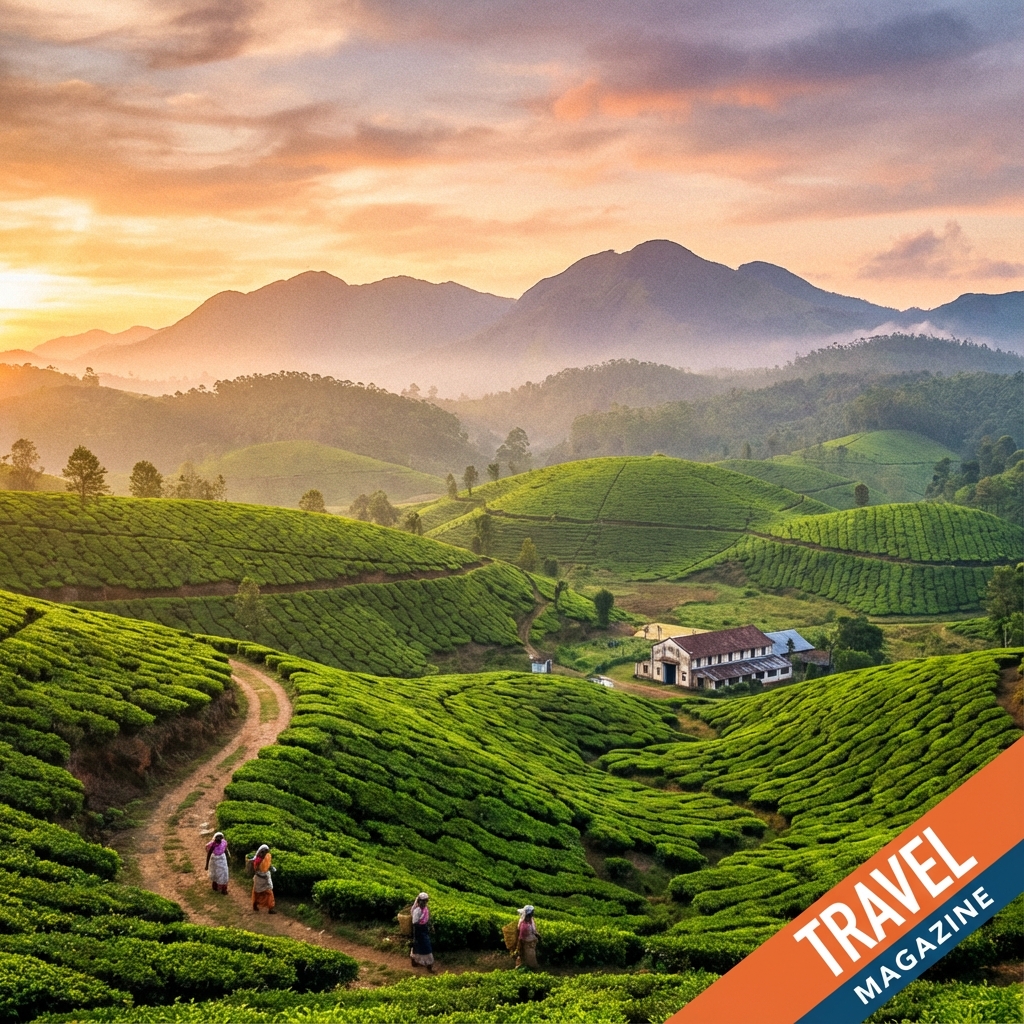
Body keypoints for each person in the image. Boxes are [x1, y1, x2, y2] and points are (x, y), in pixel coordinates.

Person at [409, 892, 434, 970]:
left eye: (425, 901)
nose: (423, 903)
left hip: (424, 929)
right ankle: (428, 964)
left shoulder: (425, 909)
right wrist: (422, 927)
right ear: (419, 901)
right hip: (419, 931)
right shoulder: (417, 910)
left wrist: (430, 926)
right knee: (424, 946)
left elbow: (427, 919)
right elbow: (415, 923)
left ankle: (417, 961)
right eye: (422, 901)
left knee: (422, 946)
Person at [251, 843, 276, 914]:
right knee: (257, 892)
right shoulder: (257, 860)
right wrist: (262, 876)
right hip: (259, 878)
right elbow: (255, 870)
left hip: (266, 877)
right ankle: (255, 904)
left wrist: (271, 868)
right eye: (263, 851)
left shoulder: (267, 856)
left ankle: (271, 907)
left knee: (269, 892)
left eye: (266, 851)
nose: (264, 853)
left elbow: (268, 864)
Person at [516, 905, 539, 969]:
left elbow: (534, 930)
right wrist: (520, 945)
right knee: (529, 957)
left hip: (531, 942)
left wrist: (537, 934)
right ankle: (529, 968)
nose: (533, 914)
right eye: (532, 912)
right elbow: (521, 937)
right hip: (527, 943)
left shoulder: (531, 920)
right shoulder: (523, 925)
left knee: (530, 956)